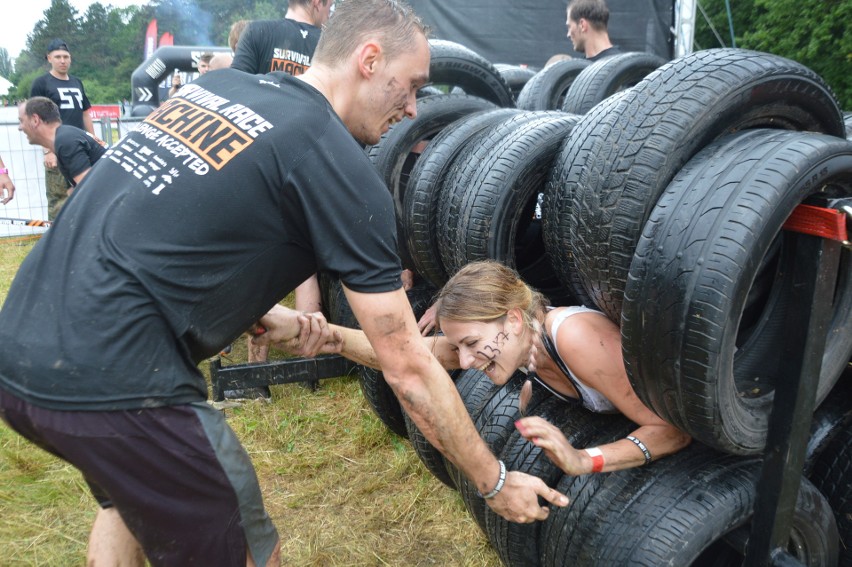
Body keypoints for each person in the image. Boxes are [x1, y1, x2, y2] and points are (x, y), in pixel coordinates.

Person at [0, 2, 566, 564]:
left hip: (21, 350)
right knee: (247, 550)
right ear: (369, 59)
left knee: (129, 498)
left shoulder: (217, 90)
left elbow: (166, 216)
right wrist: (493, 481)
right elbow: (409, 367)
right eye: (411, 85)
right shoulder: (335, 162)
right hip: (119, 380)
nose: (414, 107)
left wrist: (241, 303)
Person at [299, 260, 691, 475]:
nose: (466, 361)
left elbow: (672, 429)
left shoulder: (574, 339)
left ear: (514, 320)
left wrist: (585, 459)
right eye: (459, 347)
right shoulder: (513, 347)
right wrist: (322, 334)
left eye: (470, 343)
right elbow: (404, 353)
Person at [231, 0, 334, 375]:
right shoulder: (332, 42)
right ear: (318, 3)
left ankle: (256, 374)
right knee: (304, 261)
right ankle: (309, 365)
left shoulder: (257, 31)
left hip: (263, 161)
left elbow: (236, 91)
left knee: (260, 262)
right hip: (316, 160)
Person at [30, 39, 94, 220]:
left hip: (80, 148)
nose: (62, 60)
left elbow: (85, 114)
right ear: (49, 58)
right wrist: (48, 151)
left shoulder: (77, 82)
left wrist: (94, 140)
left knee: (85, 193)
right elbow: (36, 118)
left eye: (66, 56)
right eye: (57, 57)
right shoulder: (41, 83)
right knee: (58, 199)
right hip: (57, 148)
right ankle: (57, 242)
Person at [18, 97, 107, 202]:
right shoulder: (65, 137)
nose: (20, 127)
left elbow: (91, 193)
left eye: (21, 121)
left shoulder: (66, 142)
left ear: (35, 120)